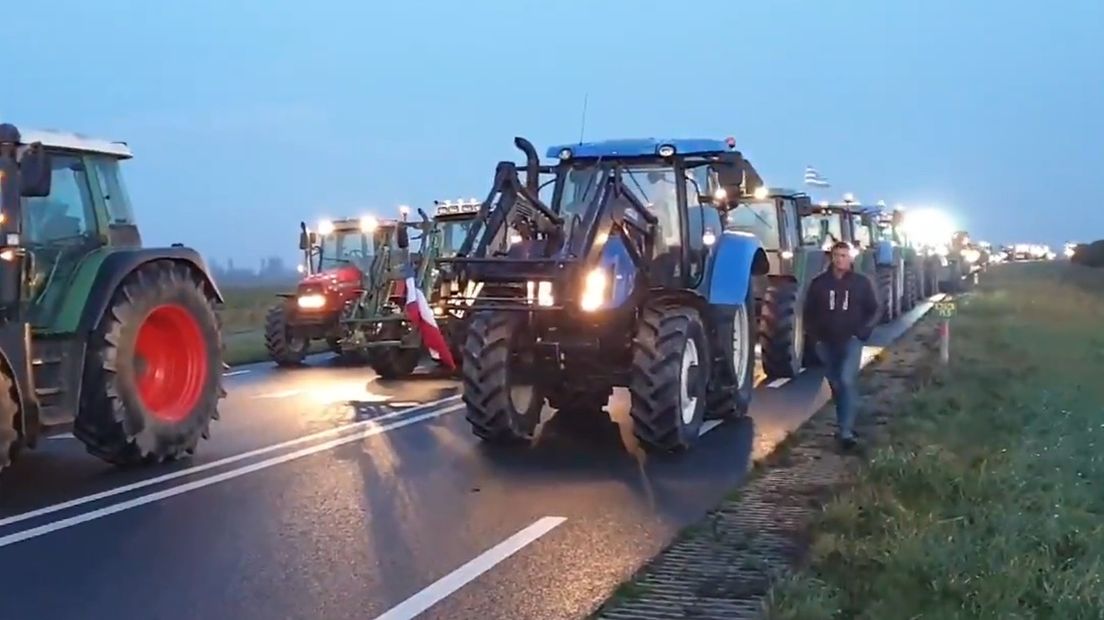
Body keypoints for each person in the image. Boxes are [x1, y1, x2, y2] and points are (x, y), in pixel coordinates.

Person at [803, 241, 881, 449]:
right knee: (836, 385)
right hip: (826, 342)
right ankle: (843, 423)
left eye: (845, 255)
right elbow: (808, 312)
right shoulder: (819, 283)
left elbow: (874, 310)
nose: (841, 259)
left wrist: (862, 333)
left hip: (851, 341)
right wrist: (814, 338)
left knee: (846, 380)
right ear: (831, 257)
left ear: (851, 258)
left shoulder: (861, 283)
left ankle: (846, 431)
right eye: (837, 255)